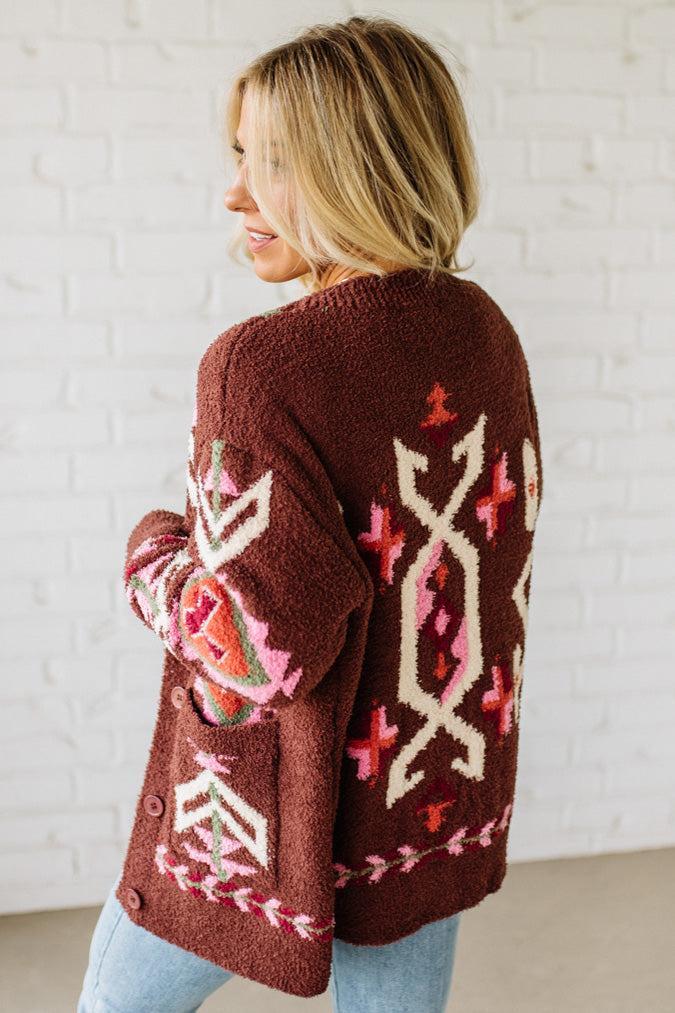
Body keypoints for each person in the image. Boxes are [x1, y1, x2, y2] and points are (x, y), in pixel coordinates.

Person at [78, 13, 543, 1012]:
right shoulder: (484, 333)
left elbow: (254, 649)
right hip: (424, 801)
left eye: (277, 160)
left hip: (269, 821)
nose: (236, 191)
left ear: (364, 170)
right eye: (240, 152)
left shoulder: (263, 367)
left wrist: (150, 553)